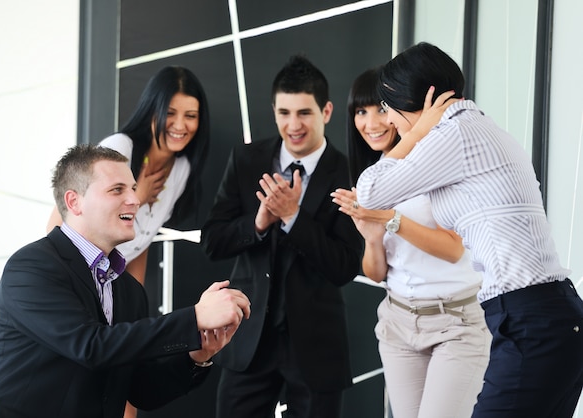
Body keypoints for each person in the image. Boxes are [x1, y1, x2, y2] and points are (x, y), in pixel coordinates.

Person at [355, 42, 583, 417]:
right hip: (543, 316)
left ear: (416, 101)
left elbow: (370, 191)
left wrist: (415, 134)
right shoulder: (475, 128)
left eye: (388, 108)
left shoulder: (455, 134)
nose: (390, 122)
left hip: (530, 321)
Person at [0, 144, 250, 418]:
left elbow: (143, 392)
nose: (135, 200)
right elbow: (90, 346)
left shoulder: (129, 290)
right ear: (74, 202)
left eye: (133, 189)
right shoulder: (32, 266)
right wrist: (194, 319)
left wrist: (197, 355)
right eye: (117, 190)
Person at [200, 55, 362, 418]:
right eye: (284, 113)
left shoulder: (351, 171)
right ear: (274, 111)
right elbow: (212, 241)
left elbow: (345, 267)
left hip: (317, 346)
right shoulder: (246, 159)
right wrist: (257, 223)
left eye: (304, 112)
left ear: (327, 111)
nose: (294, 125)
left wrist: (292, 216)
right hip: (248, 339)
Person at [330, 67, 490, 418]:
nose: (372, 122)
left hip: (456, 322)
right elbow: (376, 274)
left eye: (382, 109)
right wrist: (373, 239)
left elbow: (452, 249)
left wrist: (389, 219)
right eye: (361, 111)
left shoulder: (434, 160)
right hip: (398, 322)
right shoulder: (374, 176)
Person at [47, 65, 209, 285]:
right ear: (151, 109)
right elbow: (58, 223)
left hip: (111, 286)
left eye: (190, 116)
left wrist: (136, 302)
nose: (180, 125)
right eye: (169, 113)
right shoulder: (120, 148)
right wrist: (137, 197)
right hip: (75, 278)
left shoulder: (182, 169)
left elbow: (141, 241)